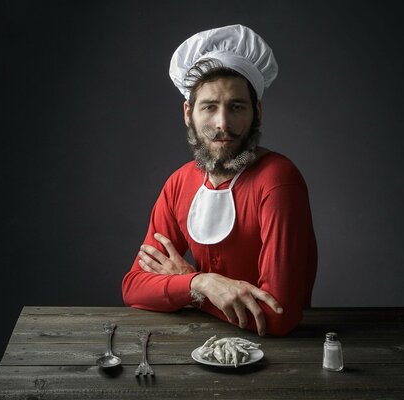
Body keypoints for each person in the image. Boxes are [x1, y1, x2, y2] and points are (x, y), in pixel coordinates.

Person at [121, 24, 317, 336]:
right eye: (209, 106)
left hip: (280, 358)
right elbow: (134, 287)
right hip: (198, 349)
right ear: (188, 113)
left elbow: (279, 316)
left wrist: (189, 289)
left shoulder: (278, 180)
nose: (222, 123)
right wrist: (201, 282)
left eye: (236, 107)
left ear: (257, 112)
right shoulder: (179, 183)